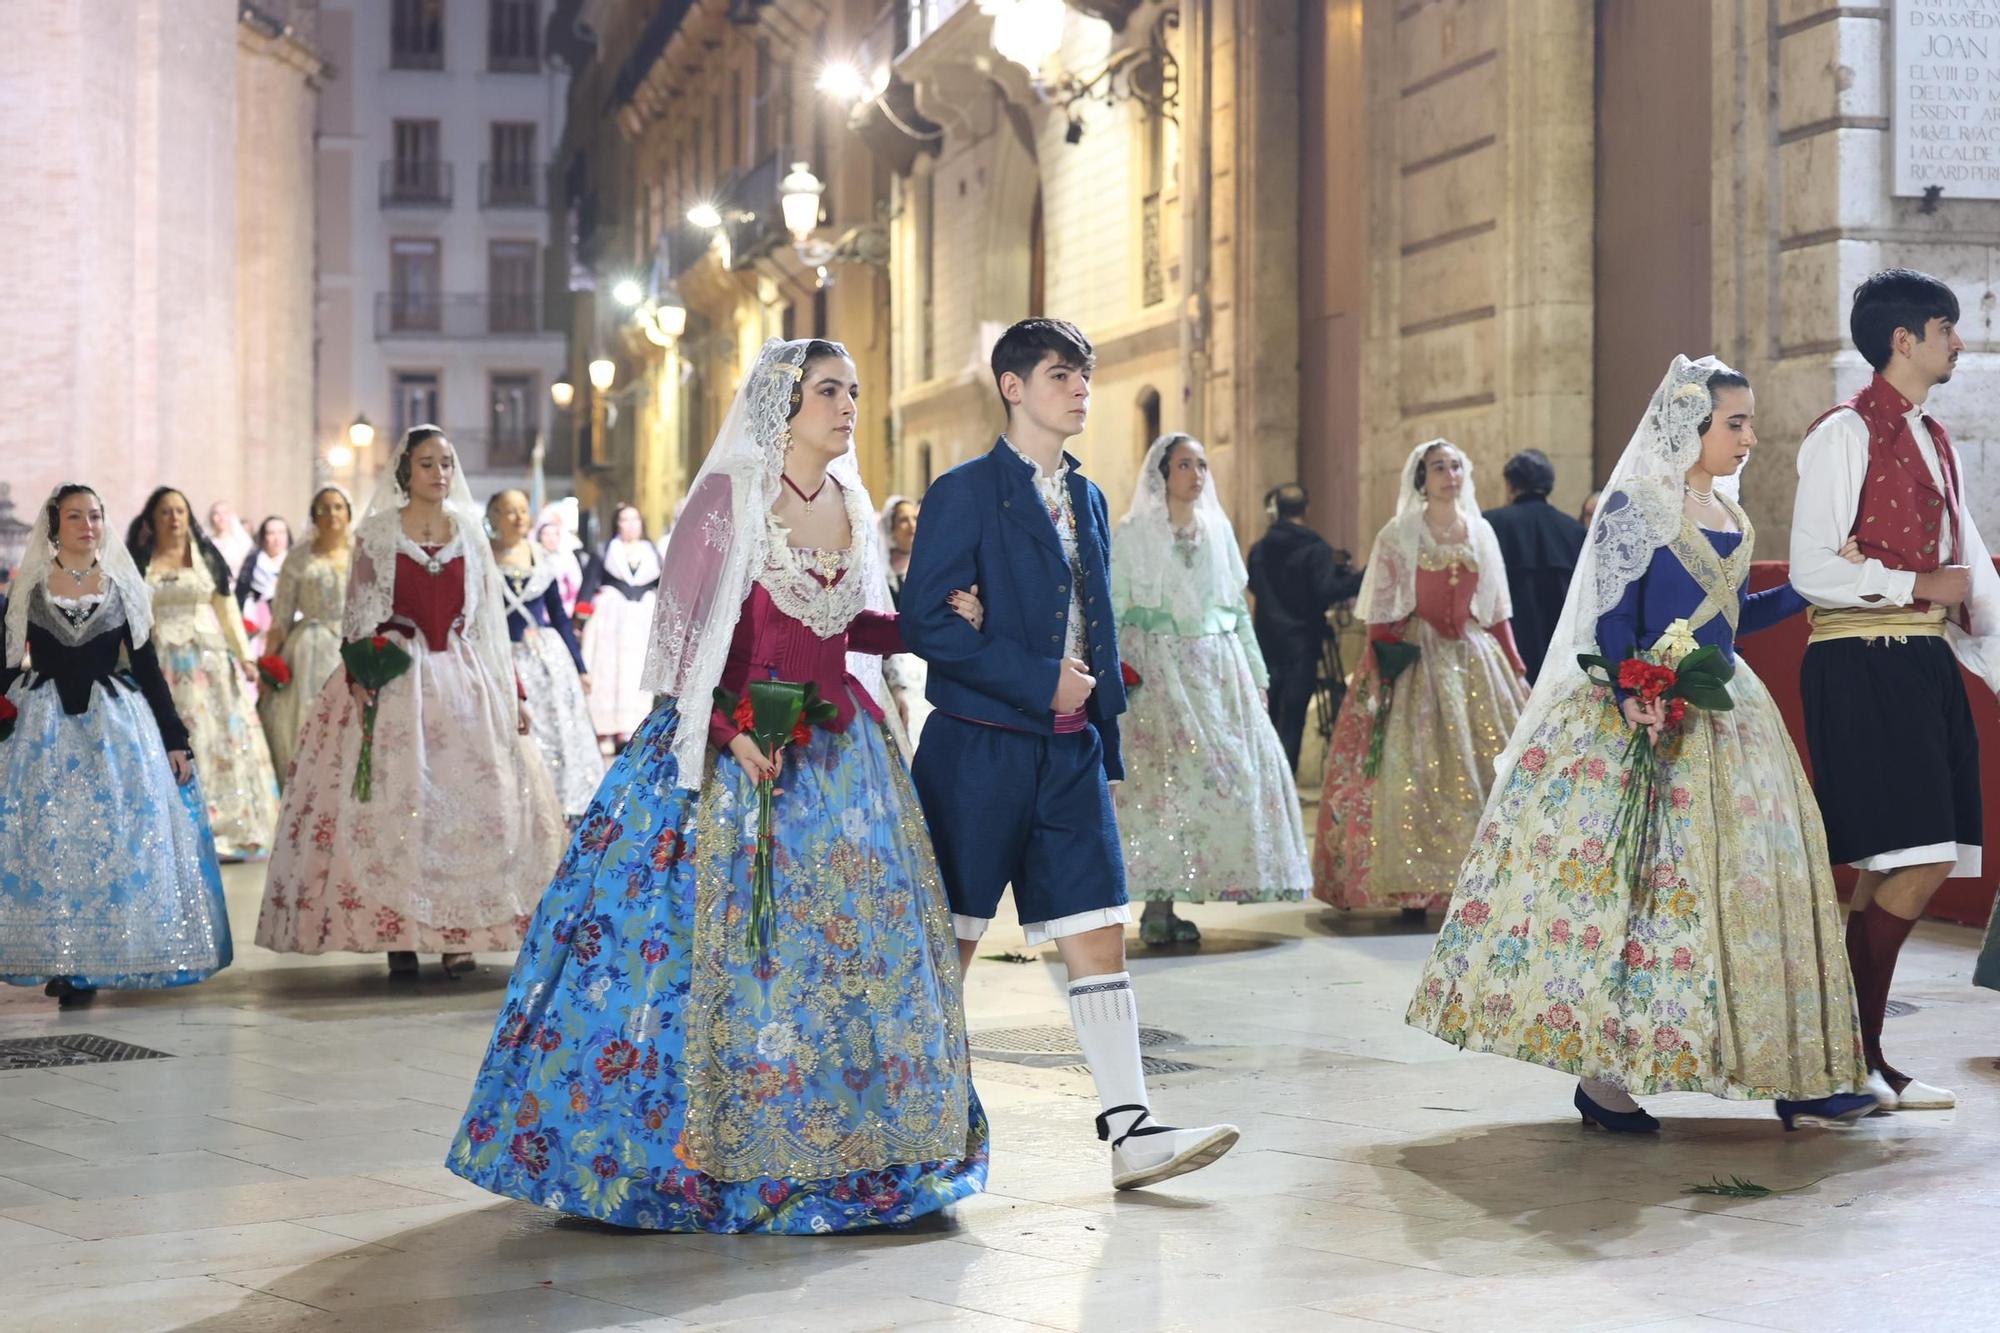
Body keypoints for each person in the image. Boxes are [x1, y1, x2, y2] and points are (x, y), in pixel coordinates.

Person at [447, 339, 989, 1234]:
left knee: (840, 954)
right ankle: (680, 1154)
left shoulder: (849, 502)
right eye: (828, 391)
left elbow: (848, 623)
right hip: (725, 746)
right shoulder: (727, 500)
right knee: (704, 950)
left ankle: (842, 1138)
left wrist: (935, 623)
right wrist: (733, 736)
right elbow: (679, 649)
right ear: (783, 403)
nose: (847, 406)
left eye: (853, 391)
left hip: (839, 752)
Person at [1408, 354, 1879, 1132]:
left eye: (1749, 422)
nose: (1750, 436)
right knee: (1634, 895)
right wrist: (1633, 694)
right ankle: (1604, 1082)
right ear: (1691, 427)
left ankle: (1795, 1071)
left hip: (1729, 710)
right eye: (1735, 423)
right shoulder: (1636, 505)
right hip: (1645, 713)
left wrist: (1807, 586)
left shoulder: (1730, 511)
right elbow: (1609, 615)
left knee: (1761, 889)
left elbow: (1733, 618)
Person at [902, 317, 1239, 1191]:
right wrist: (1032, 676)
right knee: (954, 942)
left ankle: (1132, 1134)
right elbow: (925, 621)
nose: (1081, 388)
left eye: (1084, 375)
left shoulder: (1089, 497)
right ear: (1013, 387)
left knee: (1099, 934)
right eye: (1061, 374)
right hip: (976, 750)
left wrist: (1099, 718)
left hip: (1070, 752)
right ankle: (907, 1128)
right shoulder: (964, 491)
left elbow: (1097, 613)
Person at [1790, 268, 2000, 1113]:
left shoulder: (1933, 437)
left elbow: (1972, 572)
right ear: (1903, 340)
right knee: (1917, 858)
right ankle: (1846, 1060)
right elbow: (1812, 570)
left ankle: (1850, 1060)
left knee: (1899, 863)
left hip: (1920, 663)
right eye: (1946, 328)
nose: (1959, 341)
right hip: (1861, 660)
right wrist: (1915, 584)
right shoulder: (1843, 433)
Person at [254, 427, 566, 979]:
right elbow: (358, 615)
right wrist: (360, 673)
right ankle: (398, 931)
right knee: (396, 807)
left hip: (462, 681)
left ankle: (457, 935)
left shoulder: (469, 533)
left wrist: (512, 692)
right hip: (397, 676)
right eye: (427, 463)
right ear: (406, 472)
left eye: (446, 463)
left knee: (467, 806)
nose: (439, 473)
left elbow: (490, 624)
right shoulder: (376, 534)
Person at [1, 484, 231, 1007]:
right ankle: (62, 956)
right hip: (44, 727)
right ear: (54, 525)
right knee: (50, 840)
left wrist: (175, 740)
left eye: (96, 516)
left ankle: (91, 961)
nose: (88, 525)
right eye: (76, 516)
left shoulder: (122, 586)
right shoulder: (31, 585)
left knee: (111, 838)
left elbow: (147, 670)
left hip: (114, 727)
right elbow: (10, 663)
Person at [1313, 441, 1530, 917]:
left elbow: (1496, 608)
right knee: (1415, 769)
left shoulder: (1481, 530)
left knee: (1480, 767)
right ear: (1422, 478)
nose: (1449, 474)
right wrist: (1380, 668)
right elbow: (1383, 609)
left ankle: (1472, 880)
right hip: (1418, 655)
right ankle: (1412, 887)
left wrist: (1515, 665)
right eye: (1438, 467)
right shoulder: (1400, 532)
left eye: (1455, 466)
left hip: (1472, 653)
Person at [1111, 433, 1311, 948]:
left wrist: (1258, 674)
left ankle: (1195, 885)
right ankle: (1157, 905)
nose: (1195, 474)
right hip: (1156, 669)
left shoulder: (1218, 530)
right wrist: (1113, 670)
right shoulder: (1132, 532)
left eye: (1201, 465)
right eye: (1183, 465)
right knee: (1163, 783)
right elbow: (1114, 606)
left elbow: (1238, 610)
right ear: (1162, 473)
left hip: (1217, 671)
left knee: (1226, 774)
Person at [129, 487, 281, 860]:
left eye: (180, 510)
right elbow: (131, 618)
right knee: (176, 736)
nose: (174, 519)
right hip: (162, 662)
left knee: (218, 738)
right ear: (152, 519)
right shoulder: (139, 562)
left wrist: (245, 657)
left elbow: (227, 609)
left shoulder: (205, 558)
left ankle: (228, 826)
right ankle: (175, 826)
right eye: (165, 512)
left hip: (209, 660)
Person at [488, 488, 604, 819]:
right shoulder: (483, 558)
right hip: (503, 657)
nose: (518, 517)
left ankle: (557, 800)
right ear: (495, 516)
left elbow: (559, 616)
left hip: (545, 658)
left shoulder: (542, 558)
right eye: (509, 510)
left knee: (556, 731)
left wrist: (580, 667)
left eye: (523, 510)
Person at [1245, 482, 1363, 772]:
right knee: (1294, 718)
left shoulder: (1259, 550)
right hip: (1302, 644)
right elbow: (1326, 590)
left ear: (1276, 510)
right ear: (1306, 509)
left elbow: (1254, 585)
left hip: (1267, 642)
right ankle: (1286, 782)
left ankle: (1264, 781)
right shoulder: (1315, 549)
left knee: (1267, 715)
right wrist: (1360, 579)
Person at [259, 488, 352, 782]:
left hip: (352, 645)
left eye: (338, 507)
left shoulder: (362, 554)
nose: (332, 514)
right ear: (314, 517)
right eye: (324, 508)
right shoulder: (299, 558)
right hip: (308, 647)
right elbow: (282, 615)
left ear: (348, 513)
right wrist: (269, 662)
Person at [1483, 449, 1587, 683]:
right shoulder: (1573, 530)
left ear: (1510, 485)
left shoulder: (1490, 524)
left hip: (1507, 649)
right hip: (1560, 655)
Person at [579, 503, 660, 746]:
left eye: (635, 519)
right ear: (617, 523)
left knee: (637, 670)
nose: (630, 524)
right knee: (608, 669)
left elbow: (664, 586)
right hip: (610, 621)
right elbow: (588, 585)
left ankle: (634, 726)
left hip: (642, 621)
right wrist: (581, 618)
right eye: (625, 519)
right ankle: (606, 727)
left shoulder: (652, 552)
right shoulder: (605, 551)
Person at [878, 495, 933, 739]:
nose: (911, 525)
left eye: (915, 518)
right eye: (903, 520)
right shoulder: (880, 573)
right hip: (894, 668)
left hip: (927, 666)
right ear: (890, 527)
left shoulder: (928, 569)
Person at [234, 515, 293, 658]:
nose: (277, 538)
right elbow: (239, 596)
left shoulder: (295, 563)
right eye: (271, 533)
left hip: (290, 626)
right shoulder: (253, 563)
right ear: (263, 536)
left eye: (281, 532)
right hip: (257, 626)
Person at [535, 515, 584, 617]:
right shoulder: (534, 557)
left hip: (564, 607)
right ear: (539, 537)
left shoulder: (567, 557)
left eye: (554, 534)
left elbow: (576, 582)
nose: (551, 539)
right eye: (546, 534)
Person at [207, 501, 255, 574]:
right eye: (216, 513)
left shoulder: (241, 542)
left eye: (225, 513)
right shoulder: (208, 543)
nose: (221, 517)